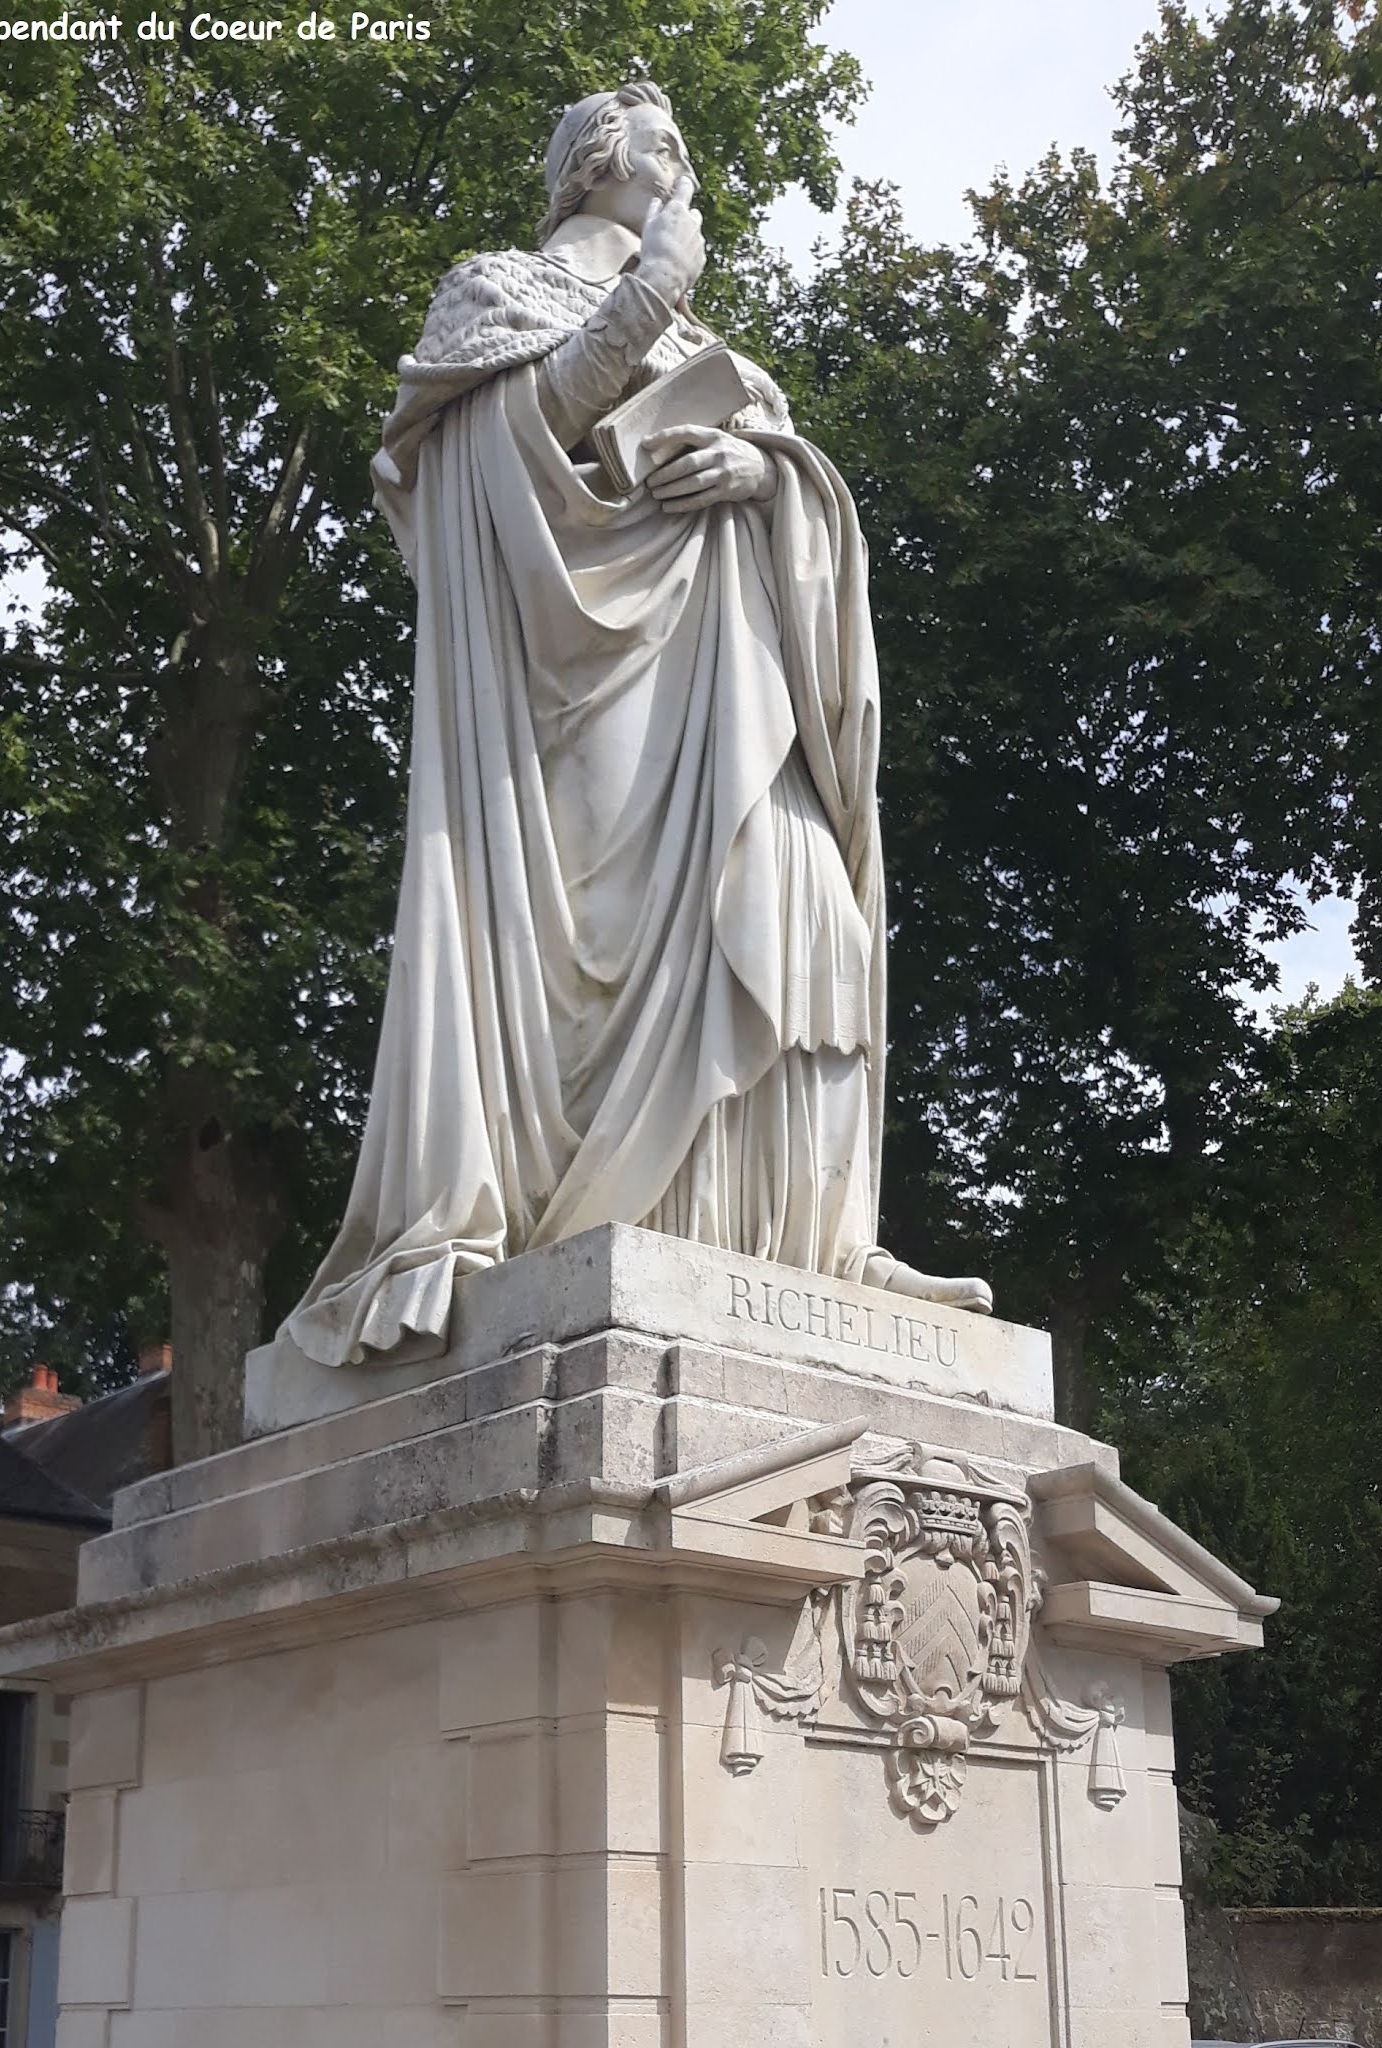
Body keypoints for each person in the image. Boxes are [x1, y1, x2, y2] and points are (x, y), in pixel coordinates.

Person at [281, 81, 991, 1370]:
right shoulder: (495, 289)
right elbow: (492, 457)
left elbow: (819, 522)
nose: (685, 170)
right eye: (666, 147)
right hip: (589, 681)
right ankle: (617, 1212)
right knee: (606, 954)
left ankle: (814, 1238)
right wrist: (645, 297)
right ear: (594, 165)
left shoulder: (734, 360)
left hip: (743, 688)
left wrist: (767, 476)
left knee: (811, 914)